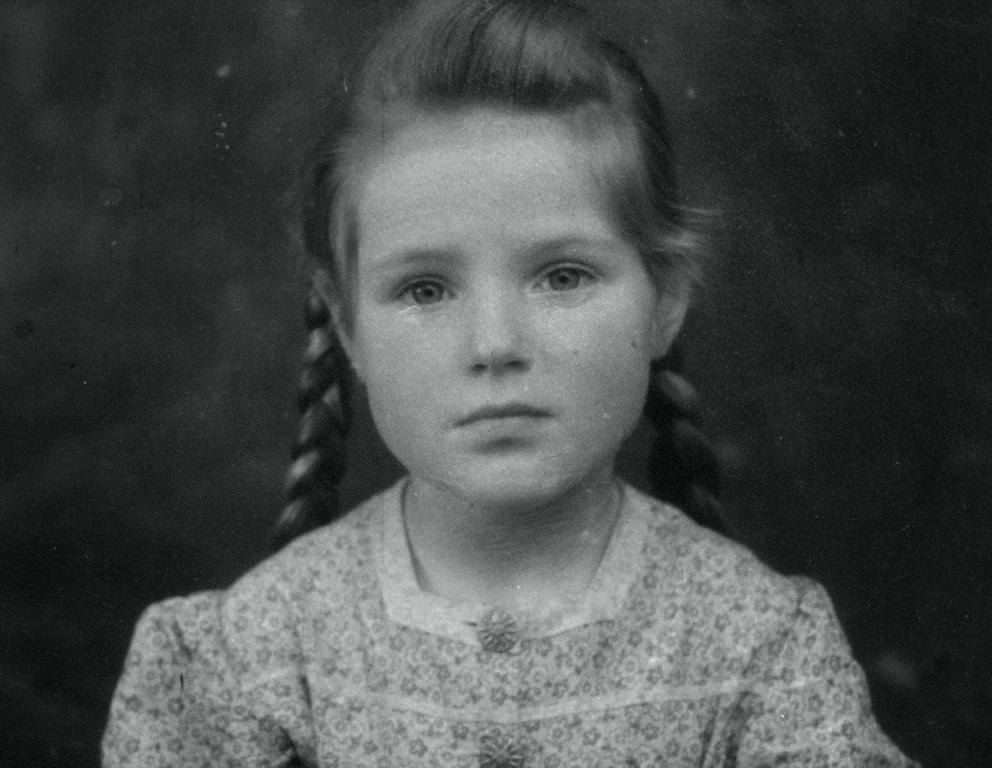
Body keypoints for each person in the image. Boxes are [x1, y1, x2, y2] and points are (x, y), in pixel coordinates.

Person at [102, 0, 918, 765]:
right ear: (348, 326)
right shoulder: (255, 654)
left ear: (665, 301)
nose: (495, 345)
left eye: (562, 277)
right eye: (425, 289)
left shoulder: (761, 645)